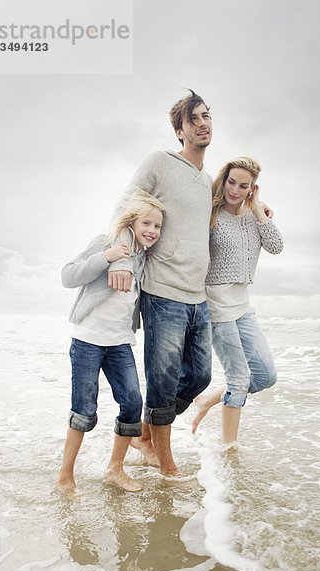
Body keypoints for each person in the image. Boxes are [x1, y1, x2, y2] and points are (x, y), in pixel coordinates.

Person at [108, 90, 214, 476]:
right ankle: (165, 463)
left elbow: (232, 208)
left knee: (200, 375)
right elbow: (125, 206)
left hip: (197, 294)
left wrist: (258, 203)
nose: (203, 124)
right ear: (179, 130)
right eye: (194, 119)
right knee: (163, 379)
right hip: (163, 290)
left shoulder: (208, 181)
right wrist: (120, 257)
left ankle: (147, 433)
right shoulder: (159, 162)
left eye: (207, 116)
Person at [56, 191, 166, 494]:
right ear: (131, 221)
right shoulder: (105, 242)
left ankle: (114, 469)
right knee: (83, 409)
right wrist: (107, 257)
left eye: (157, 227)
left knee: (132, 402)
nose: (152, 231)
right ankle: (65, 476)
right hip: (88, 340)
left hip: (119, 342)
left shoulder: (144, 257)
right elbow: (68, 276)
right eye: (147, 223)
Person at [191, 157, 284, 444]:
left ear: (251, 188)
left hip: (243, 307)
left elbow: (276, 246)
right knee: (239, 378)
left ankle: (208, 399)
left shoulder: (254, 216)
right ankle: (229, 449)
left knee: (266, 375)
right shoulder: (211, 212)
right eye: (232, 182)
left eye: (243, 185)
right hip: (217, 307)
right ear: (224, 179)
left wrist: (258, 208)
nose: (235, 189)